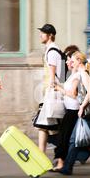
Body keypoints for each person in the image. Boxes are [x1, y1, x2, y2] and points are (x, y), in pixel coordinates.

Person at [52, 49, 90, 172]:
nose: (68, 63)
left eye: (71, 60)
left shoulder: (77, 75)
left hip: (73, 111)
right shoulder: (74, 75)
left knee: (68, 138)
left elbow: (73, 94)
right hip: (71, 110)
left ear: (77, 61)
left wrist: (59, 89)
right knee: (74, 139)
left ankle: (63, 164)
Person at [36, 24, 64, 154]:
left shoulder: (52, 51)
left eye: (43, 33)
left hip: (53, 93)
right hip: (53, 93)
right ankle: (59, 157)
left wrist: (49, 93)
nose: (40, 35)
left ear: (50, 35)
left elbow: (52, 75)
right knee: (48, 127)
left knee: (44, 126)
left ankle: (44, 156)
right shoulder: (51, 50)